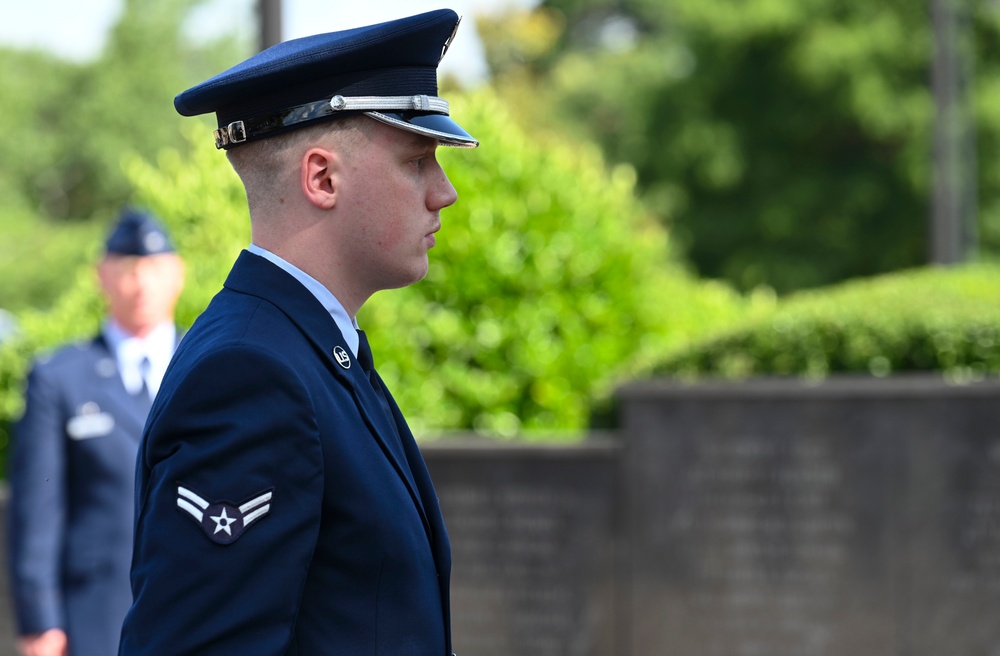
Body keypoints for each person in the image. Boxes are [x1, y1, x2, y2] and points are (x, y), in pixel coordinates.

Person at [117, 8, 478, 655]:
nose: (443, 191)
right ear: (322, 177)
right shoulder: (252, 374)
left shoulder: (310, 352)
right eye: (419, 160)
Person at [6, 208, 185, 656]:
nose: (141, 284)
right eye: (126, 270)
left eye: (154, 270)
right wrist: (40, 620)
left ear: (178, 275)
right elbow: (37, 511)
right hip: (96, 613)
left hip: (194, 605)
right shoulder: (60, 378)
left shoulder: (211, 367)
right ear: (100, 276)